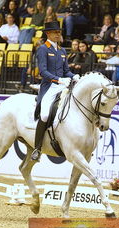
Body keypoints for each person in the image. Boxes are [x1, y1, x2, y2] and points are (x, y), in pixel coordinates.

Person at [31, 21, 79, 161]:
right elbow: (43, 72)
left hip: (63, 85)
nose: (58, 34)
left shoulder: (62, 51)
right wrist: (59, 80)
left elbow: (66, 71)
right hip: (49, 87)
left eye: (59, 32)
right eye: (55, 32)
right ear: (48, 34)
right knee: (45, 115)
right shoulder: (43, 49)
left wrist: (73, 75)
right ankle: (37, 148)